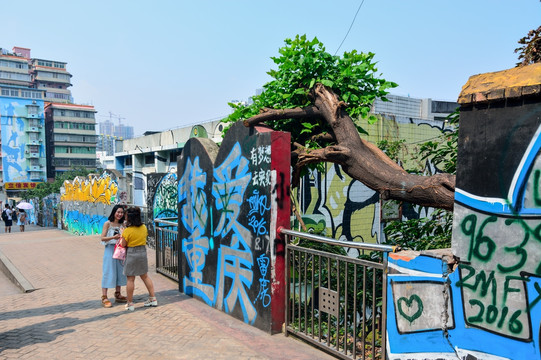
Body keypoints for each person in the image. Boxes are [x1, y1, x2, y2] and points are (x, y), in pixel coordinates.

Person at [120, 206, 157, 311]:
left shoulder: (127, 231)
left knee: (130, 278)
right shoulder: (144, 227)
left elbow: (123, 244)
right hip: (142, 252)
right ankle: (153, 298)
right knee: (145, 276)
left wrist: (123, 234)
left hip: (132, 253)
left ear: (130, 217)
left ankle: (130, 303)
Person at [99, 205, 128, 308]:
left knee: (120, 271)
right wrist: (114, 237)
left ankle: (118, 293)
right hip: (110, 250)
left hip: (120, 250)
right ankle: (104, 296)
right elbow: (102, 238)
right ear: (114, 212)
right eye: (118, 212)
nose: (119, 214)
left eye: (121, 213)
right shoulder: (107, 223)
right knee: (108, 271)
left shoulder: (123, 224)